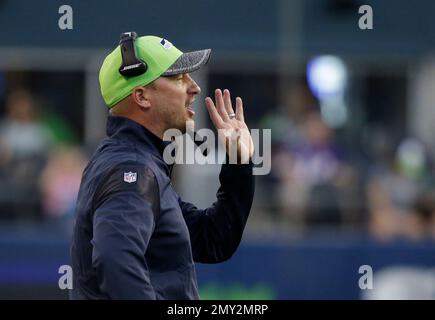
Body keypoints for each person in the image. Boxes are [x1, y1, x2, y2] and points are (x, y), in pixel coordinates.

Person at [70, 32, 255, 299]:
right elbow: (115, 263)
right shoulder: (131, 168)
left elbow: (213, 240)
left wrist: (239, 163)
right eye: (179, 77)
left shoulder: (139, 162)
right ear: (142, 97)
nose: (194, 87)